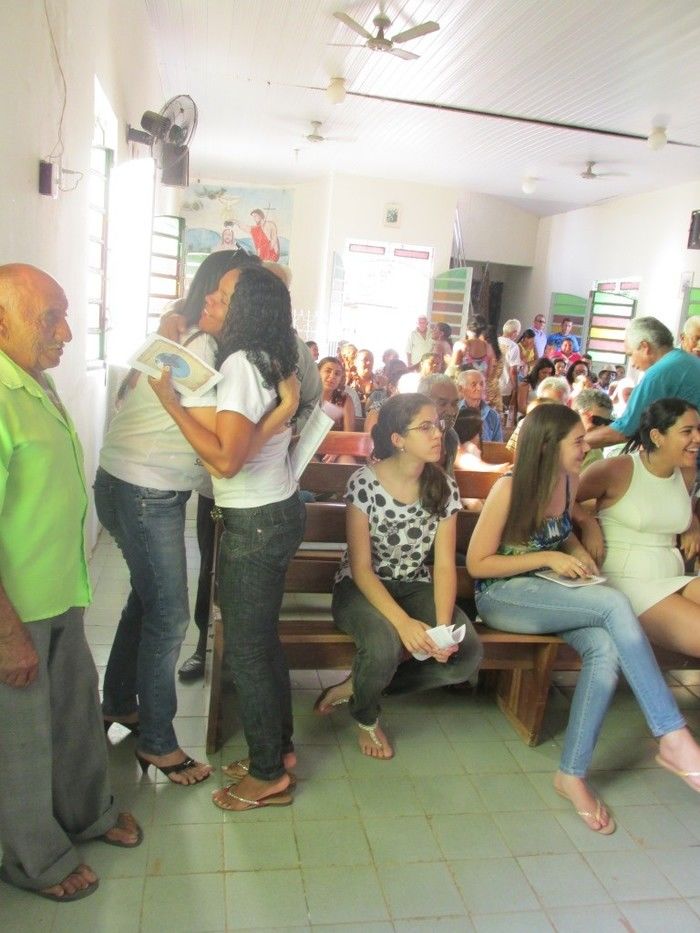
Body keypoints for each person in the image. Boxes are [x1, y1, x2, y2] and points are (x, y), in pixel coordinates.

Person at [467, 403, 700, 835]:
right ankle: (672, 736)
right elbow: (478, 564)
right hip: (504, 597)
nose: (585, 445)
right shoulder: (510, 488)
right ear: (547, 446)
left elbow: (565, 526)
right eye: (577, 441)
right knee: (613, 603)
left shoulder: (570, 480)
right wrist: (552, 556)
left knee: (606, 648)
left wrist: (575, 547)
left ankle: (571, 774)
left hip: (553, 593)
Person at [0, 264, 141, 901]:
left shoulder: (32, 381)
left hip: (60, 593)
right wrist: (7, 635)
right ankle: (34, 859)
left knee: (75, 715)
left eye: (64, 314)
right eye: (49, 317)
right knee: (21, 744)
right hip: (16, 609)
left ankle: (88, 813)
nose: (67, 331)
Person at [95, 251, 261, 779]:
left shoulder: (182, 328)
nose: (228, 303)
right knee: (167, 614)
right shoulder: (208, 346)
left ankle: (119, 702)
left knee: (145, 603)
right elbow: (220, 445)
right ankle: (159, 741)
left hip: (123, 479)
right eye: (233, 292)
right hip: (148, 488)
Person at [150, 265, 305, 811]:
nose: (211, 298)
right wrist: (283, 412)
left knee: (246, 649)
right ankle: (277, 752)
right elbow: (246, 445)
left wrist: (170, 403)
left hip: (256, 520)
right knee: (261, 642)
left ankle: (268, 775)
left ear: (249, 310)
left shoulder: (241, 364)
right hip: (275, 511)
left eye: (224, 295)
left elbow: (225, 460)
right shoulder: (266, 358)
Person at [315, 393, 483, 758]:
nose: (438, 433)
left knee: (465, 652)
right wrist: (405, 623)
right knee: (385, 643)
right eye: (425, 427)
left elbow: (442, 565)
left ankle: (360, 686)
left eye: (438, 425)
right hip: (361, 588)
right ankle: (366, 714)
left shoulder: (443, 487)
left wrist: (439, 629)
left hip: (413, 584)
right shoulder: (365, 483)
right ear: (397, 439)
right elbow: (361, 568)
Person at [577, 398, 700, 655]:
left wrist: (691, 522)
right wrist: (587, 522)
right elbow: (557, 498)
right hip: (627, 585)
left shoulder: (686, 474)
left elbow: (666, 509)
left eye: (698, 430)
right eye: (687, 432)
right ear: (657, 436)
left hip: (672, 577)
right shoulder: (616, 469)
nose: (697, 438)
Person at [587, 317, 700, 453]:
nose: (632, 364)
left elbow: (625, 430)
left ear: (645, 347)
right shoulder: (687, 361)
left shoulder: (659, 373)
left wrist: (573, 444)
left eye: (630, 354)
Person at [456, 368, 503, 442]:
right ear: (461, 389)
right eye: (474, 385)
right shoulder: (454, 413)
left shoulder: (493, 415)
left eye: (481, 384)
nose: (479, 388)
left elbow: (498, 447)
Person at [571, 389, 614, 469]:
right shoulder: (552, 438)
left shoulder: (595, 456)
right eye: (596, 420)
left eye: (607, 422)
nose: (602, 427)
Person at [318, 355, 356, 433]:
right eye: (328, 371)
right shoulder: (307, 396)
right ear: (318, 373)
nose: (332, 376)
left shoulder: (345, 399)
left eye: (337, 374)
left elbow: (349, 435)